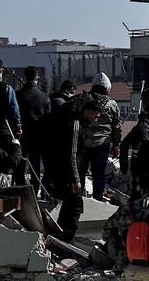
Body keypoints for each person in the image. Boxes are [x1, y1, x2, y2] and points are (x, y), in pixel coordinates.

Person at [42, 81, 84, 239]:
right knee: (74, 205)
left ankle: (60, 234)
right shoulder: (72, 120)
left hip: (49, 150)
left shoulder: (51, 101)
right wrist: (76, 179)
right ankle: (67, 238)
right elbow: (73, 153)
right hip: (65, 168)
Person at [79, 76, 121, 200]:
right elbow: (117, 127)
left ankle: (79, 198)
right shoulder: (112, 104)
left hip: (83, 143)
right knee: (99, 173)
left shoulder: (82, 100)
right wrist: (115, 145)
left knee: (80, 172)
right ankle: (97, 198)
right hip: (102, 144)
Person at [119, 85, 149, 190]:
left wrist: (124, 167)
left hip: (142, 168)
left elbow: (125, 144)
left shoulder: (142, 124)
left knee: (139, 196)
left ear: (145, 103)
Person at [16, 65, 50, 191]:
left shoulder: (18, 95)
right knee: (35, 165)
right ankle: (34, 191)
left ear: (25, 78)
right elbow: (48, 119)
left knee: (20, 164)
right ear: (38, 78)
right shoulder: (44, 97)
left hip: (21, 135)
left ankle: (19, 189)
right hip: (38, 137)